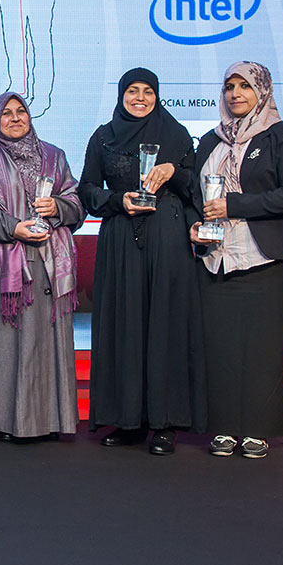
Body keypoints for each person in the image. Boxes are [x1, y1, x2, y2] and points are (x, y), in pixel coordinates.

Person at [79, 68, 205, 455]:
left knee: (164, 325)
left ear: (157, 95)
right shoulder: (103, 136)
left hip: (167, 239)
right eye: (132, 91)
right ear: (121, 95)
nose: (140, 97)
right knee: (124, 325)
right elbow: (87, 190)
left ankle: (165, 423)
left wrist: (174, 171)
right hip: (120, 238)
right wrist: (118, 201)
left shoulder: (177, 134)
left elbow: (196, 185)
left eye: (148, 91)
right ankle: (129, 419)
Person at [190, 61, 283, 459]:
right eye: (229, 86)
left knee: (264, 348)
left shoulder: (282, 134)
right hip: (217, 259)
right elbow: (197, 197)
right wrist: (194, 225)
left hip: (265, 259)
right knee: (219, 347)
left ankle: (257, 430)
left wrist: (234, 204)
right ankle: (223, 428)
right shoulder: (210, 141)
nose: (236, 93)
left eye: (245, 86)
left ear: (262, 91)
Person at [0, 92, 83, 441]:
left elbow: (76, 202)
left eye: (21, 112)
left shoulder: (54, 156)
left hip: (47, 264)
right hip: (4, 264)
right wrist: (14, 227)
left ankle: (49, 420)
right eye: (6, 114)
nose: (15, 118)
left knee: (45, 347)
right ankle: (8, 422)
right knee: (6, 348)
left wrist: (56, 207)